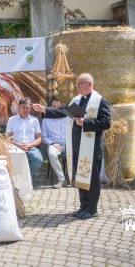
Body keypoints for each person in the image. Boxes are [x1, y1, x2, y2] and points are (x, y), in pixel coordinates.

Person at [33, 73, 111, 220]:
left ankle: (92, 209)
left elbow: (106, 123)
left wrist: (85, 123)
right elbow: (63, 111)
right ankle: (83, 207)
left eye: (79, 84)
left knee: (92, 179)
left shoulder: (100, 101)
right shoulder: (77, 100)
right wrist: (44, 109)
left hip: (92, 148)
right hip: (77, 146)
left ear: (89, 84)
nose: (77, 87)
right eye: (76, 84)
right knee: (80, 176)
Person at [6, 97, 43, 186]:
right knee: (8, 161)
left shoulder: (34, 120)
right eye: (23, 107)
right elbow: (8, 137)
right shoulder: (12, 120)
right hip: (15, 147)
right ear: (19, 108)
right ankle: (14, 181)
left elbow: (39, 138)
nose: (25, 110)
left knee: (38, 160)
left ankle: (25, 180)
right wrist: (18, 145)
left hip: (30, 147)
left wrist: (30, 145)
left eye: (27, 108)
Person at [41, 97, 68, 189]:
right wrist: (52, 143)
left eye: (58, 106)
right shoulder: (46, 120)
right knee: (52, 154)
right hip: (55, 143)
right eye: (54, 106)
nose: (56, 108)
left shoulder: (67, 117)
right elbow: (44, 137)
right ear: (50, 107)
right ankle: (62, 180)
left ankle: (78, 179)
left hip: (69, 143)